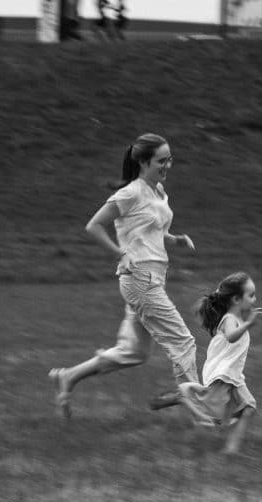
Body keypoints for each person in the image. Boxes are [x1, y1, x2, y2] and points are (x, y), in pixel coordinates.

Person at [49, 133, 199, 418]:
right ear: (143, 162)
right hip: (139, 278)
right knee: (183, 342)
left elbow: (150, 228)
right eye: (161, 161)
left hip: (152, 277)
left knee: (135, 352)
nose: (167, 166)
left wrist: (174, 239)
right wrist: (121, 253)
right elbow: (93, 226)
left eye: (170, 160)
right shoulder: (130, 193)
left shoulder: (158, 192)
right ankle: (200, 412)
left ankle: (68, 377)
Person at [178, 272, 262, 454]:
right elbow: (231, 337)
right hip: (222, 374)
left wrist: (247, 319)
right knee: (210, 418)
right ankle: (185, 395)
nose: (255, 299)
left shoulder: (237, 318)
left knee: (248, 407)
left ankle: (231, 449)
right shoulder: (228, 319)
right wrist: (249, 323)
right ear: (236, 299)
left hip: (233, 375)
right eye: (250, 295)